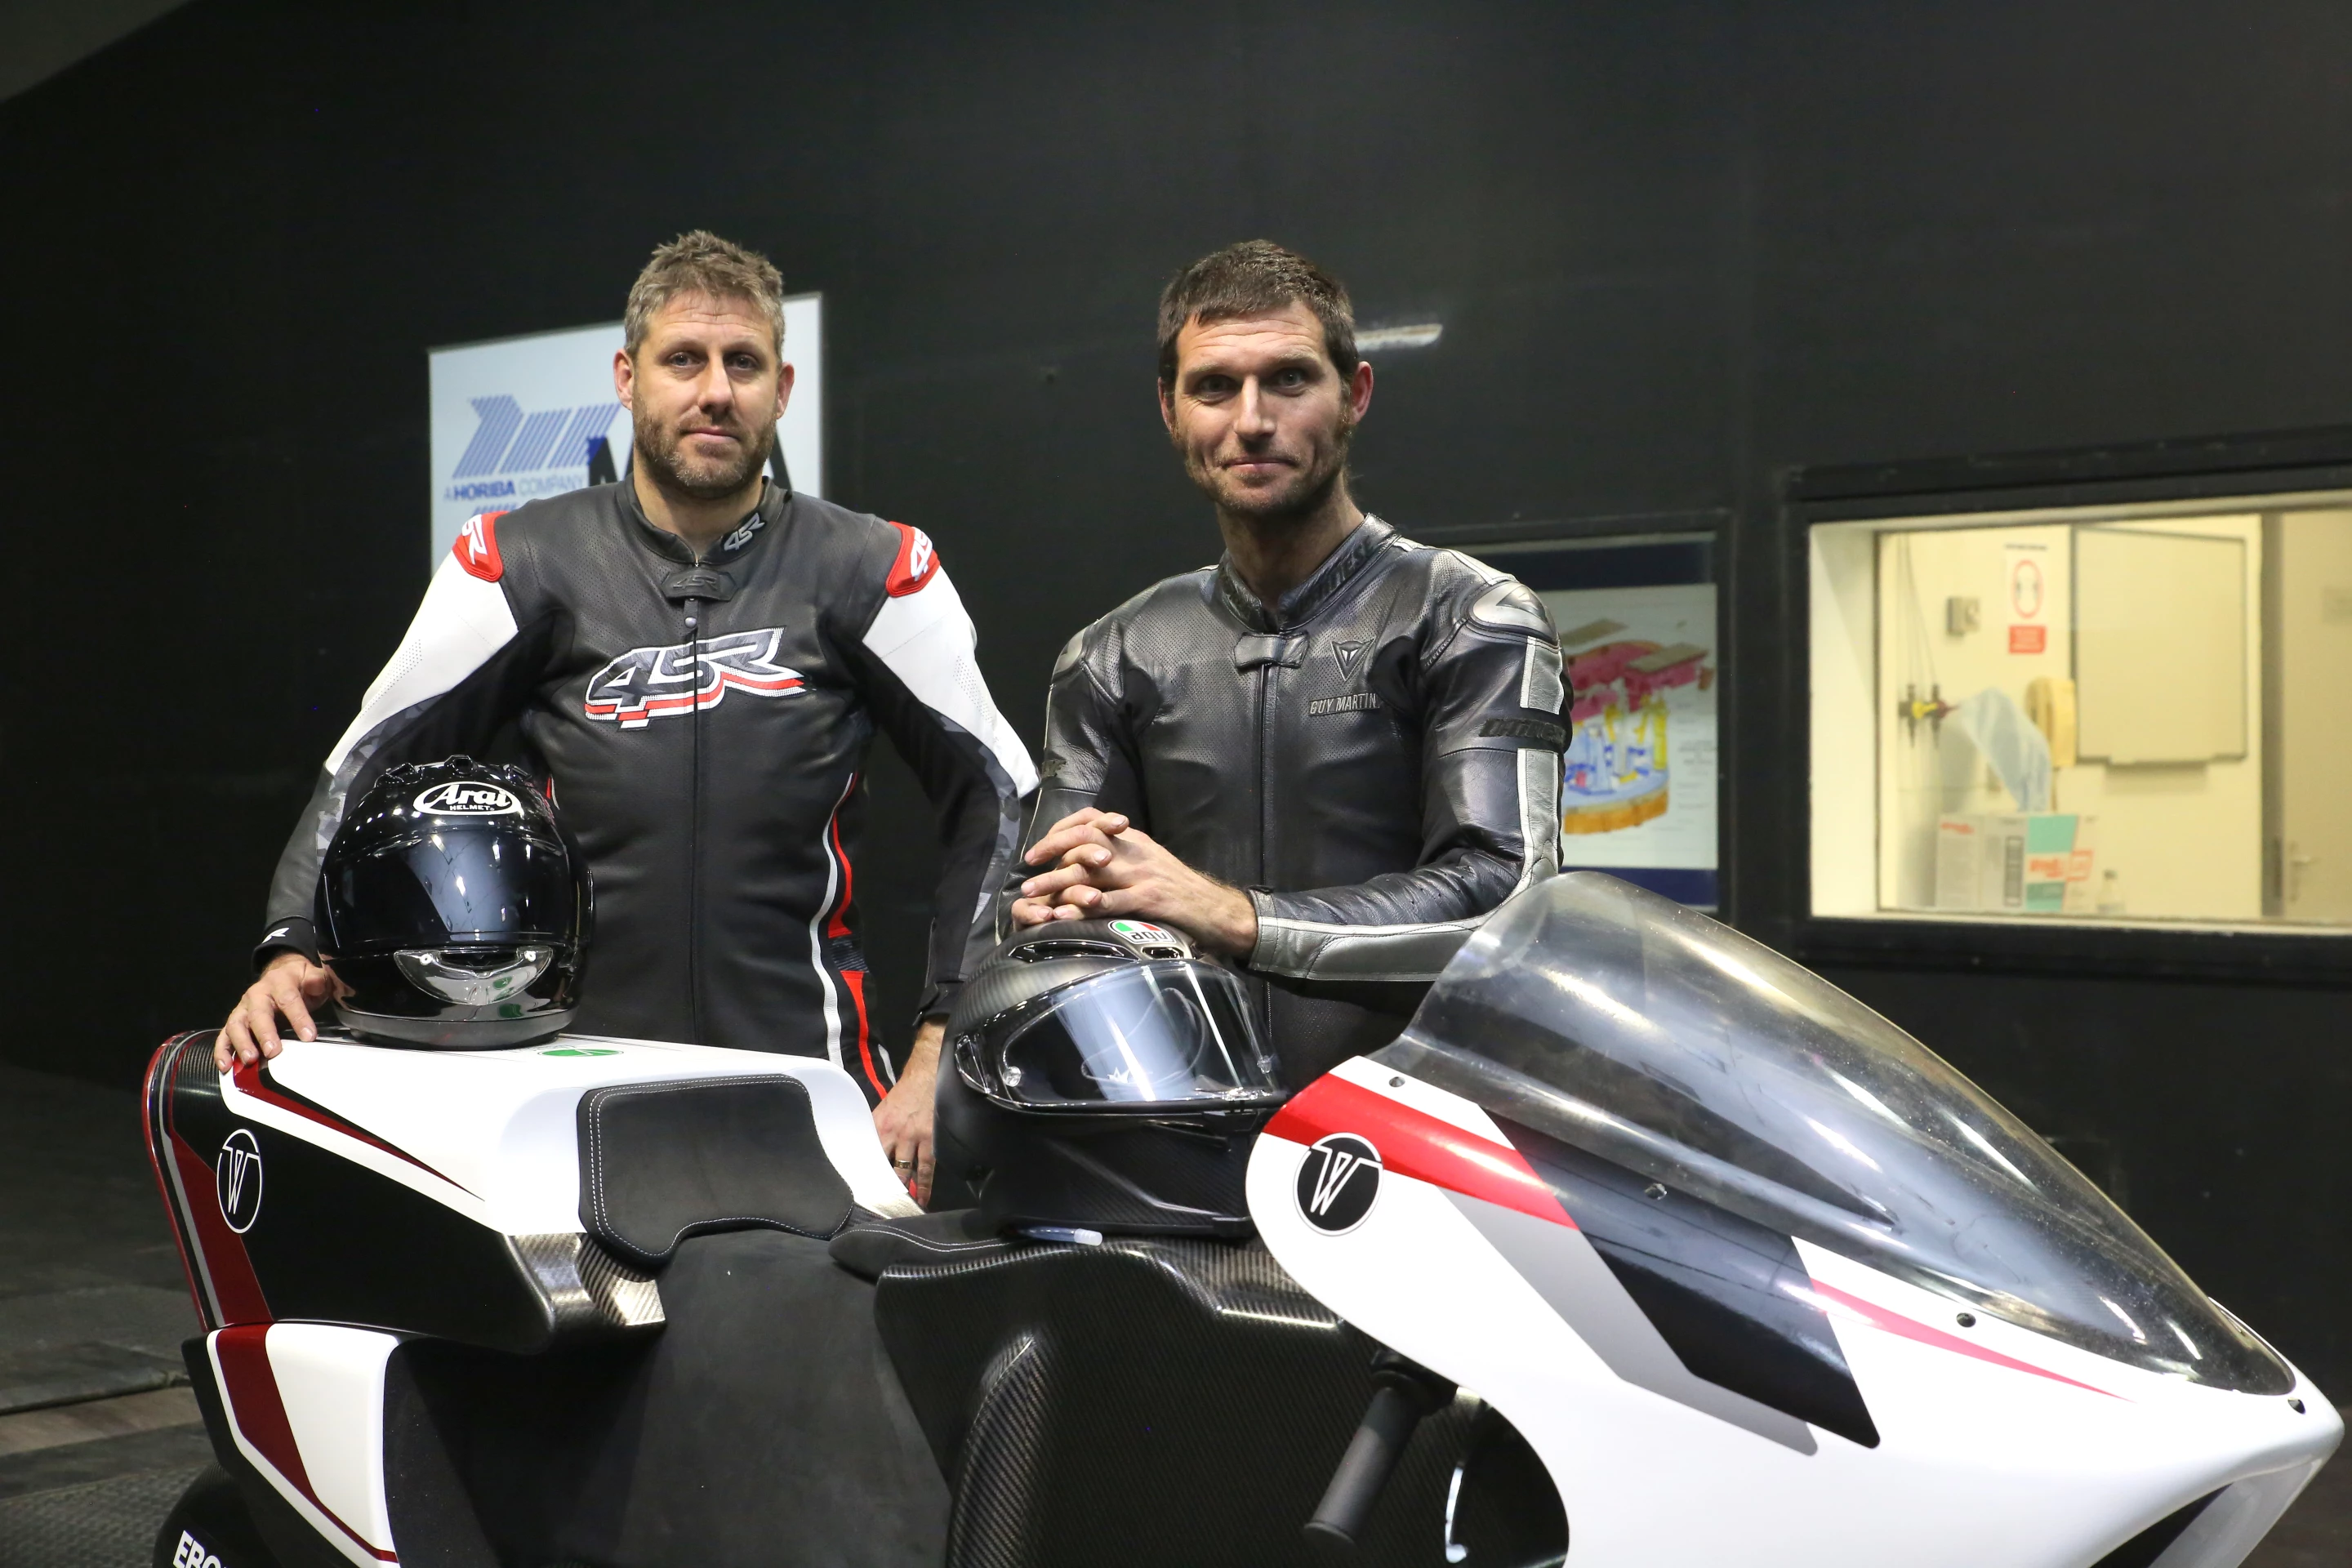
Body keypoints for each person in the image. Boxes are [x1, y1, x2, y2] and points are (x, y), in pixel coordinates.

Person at [221, 231, 1033, 1201]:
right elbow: (365, 767)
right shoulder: (519, 561)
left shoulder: (874, 569)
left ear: (782, 385)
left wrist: (944, 1040)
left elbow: (1002, 794)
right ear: (627, 376)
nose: (714, 392)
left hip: (812, 1088)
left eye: (744, 364)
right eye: (682, 360)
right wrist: (293, 943)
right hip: (564, 1087)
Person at [1006, 240, 1566, 1085]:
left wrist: (1233, 918)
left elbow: (1502, 900)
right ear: (1170, 408)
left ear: (1356, 395)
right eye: (1214, 386)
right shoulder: (1113, 653)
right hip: (1180, 1142)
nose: (1252, 419)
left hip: (1416, 1149)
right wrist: (1057, 908)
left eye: (1291, 379)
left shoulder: (1472, 616)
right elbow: (1064, 918)